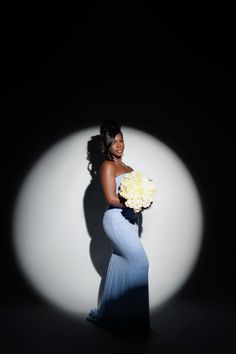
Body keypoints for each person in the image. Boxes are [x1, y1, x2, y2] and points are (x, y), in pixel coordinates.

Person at [87, 120, 151, 334]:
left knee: (121, 264)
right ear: (107, 145)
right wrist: (134, 201)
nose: (119, 145)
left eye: (122, 141)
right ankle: (134, 323)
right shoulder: (108, 166)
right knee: (141, 263)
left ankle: (120, 320)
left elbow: (136, 194)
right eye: (114, 142)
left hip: (131, 219)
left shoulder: (130, 169)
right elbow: (111, 198)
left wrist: (143, 200)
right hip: (115, 219)